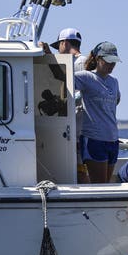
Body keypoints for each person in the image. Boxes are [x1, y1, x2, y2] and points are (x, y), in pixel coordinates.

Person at [40, 28, 90, 182]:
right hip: (76, 123)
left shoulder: (81, 63)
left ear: (65, 43)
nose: (59, 51)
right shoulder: (80, 62)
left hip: (80, 124)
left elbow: (62, 77)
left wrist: (48, 55)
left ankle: (86, 195)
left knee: (80, 164)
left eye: (59, 46)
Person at [75, 41, 121, 183]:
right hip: (94, 139)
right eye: (108, 61)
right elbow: (59, 80)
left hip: (113, 139)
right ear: (97, 59)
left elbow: (116, 101)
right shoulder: (86, 77)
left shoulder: (114, 81)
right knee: (100, 185)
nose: (111, 65)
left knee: (106, 185)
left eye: (114, 62)